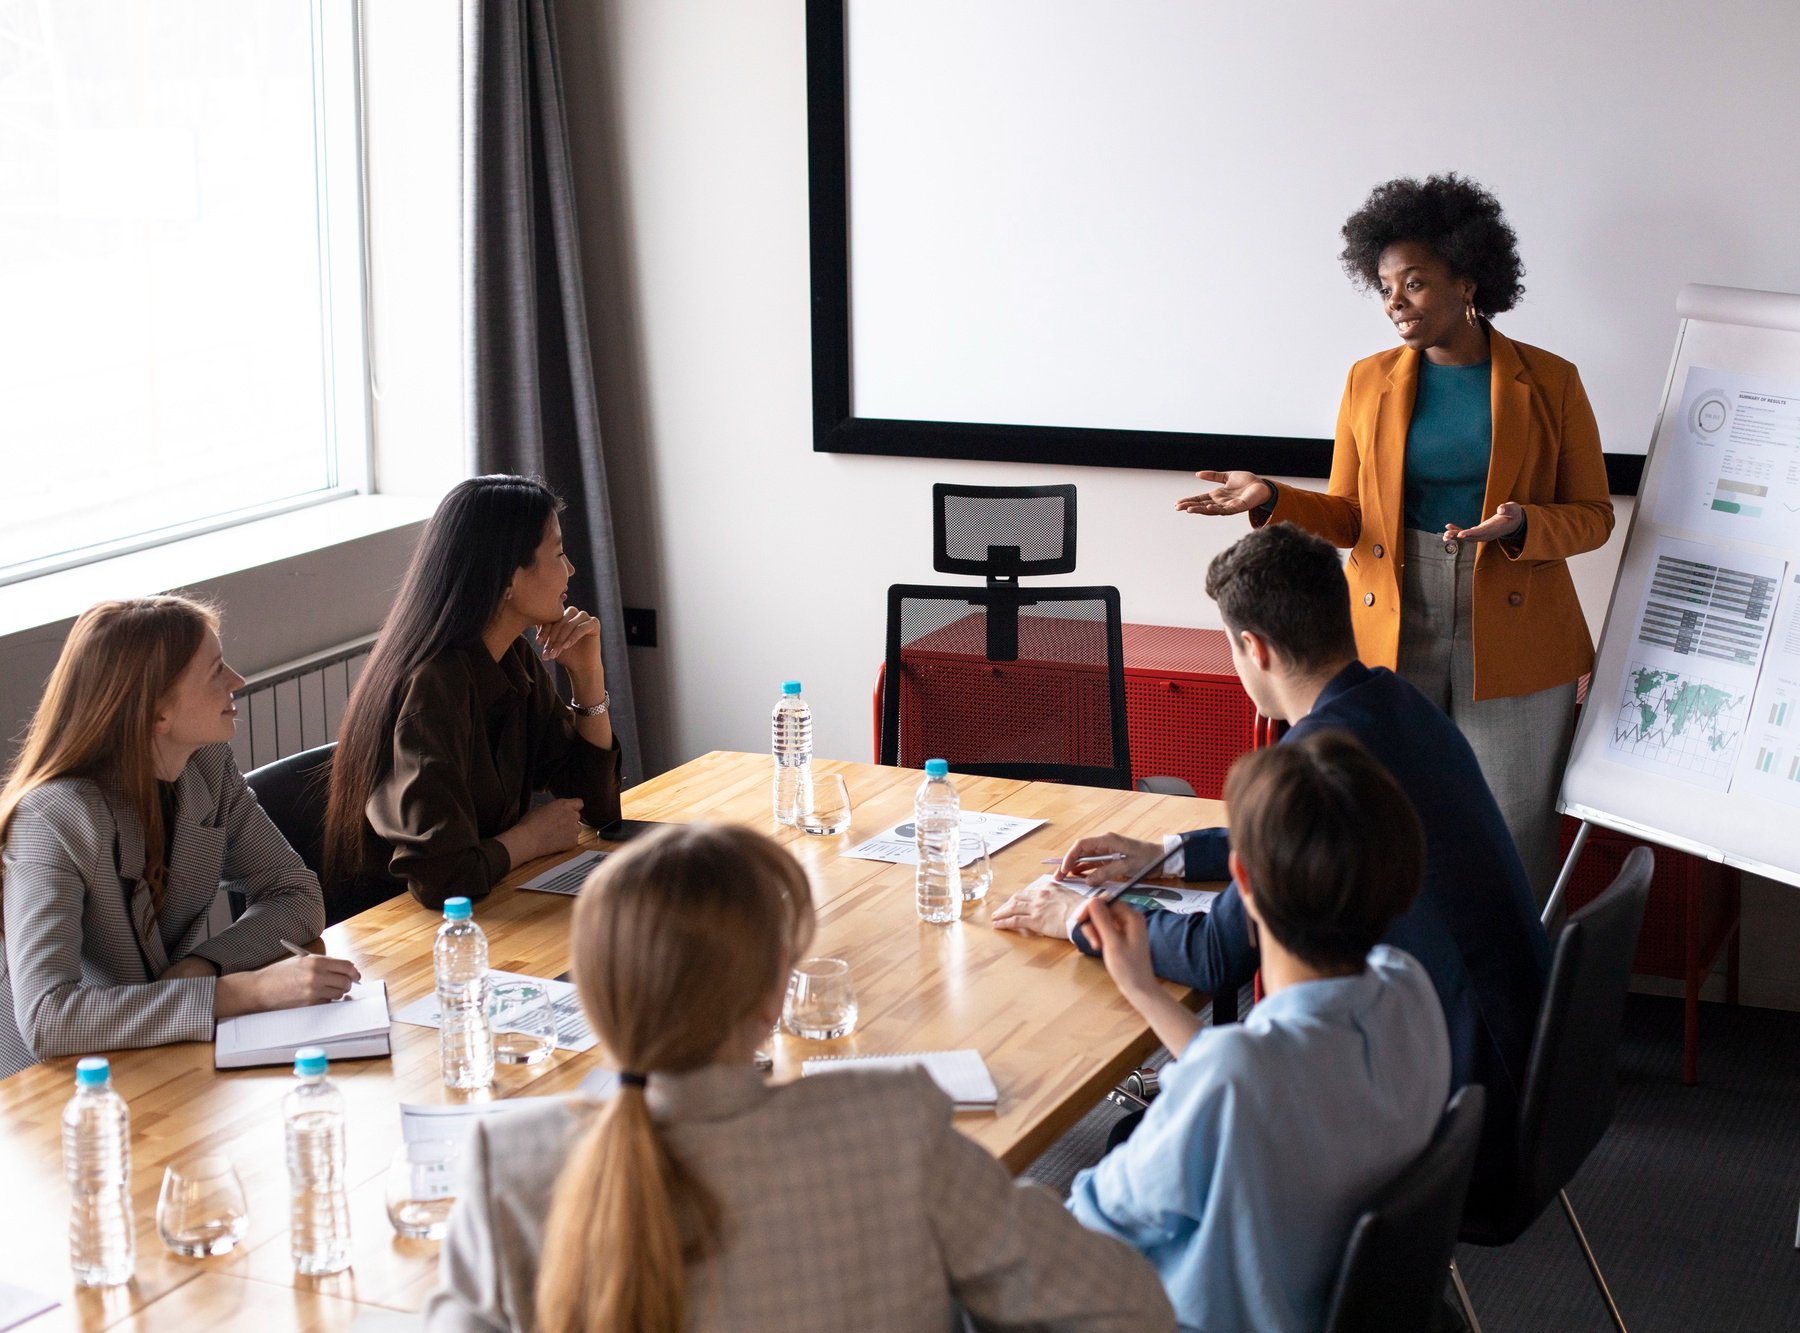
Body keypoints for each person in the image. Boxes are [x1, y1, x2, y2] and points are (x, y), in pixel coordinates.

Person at [424, 822, 1174, 1333]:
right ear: (773, 993)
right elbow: (1124, 1307)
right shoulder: (889, 1125)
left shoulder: (508, 1164)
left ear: (592, 994)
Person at [995, 522, 1548, 1213]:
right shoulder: (1396, 705)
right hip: (1512, 1075)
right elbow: (1308, 827)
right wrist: (1166, 852)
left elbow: (1213, 953)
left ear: (1253, 648)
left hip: (1459, 1124)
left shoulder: (1319, 751)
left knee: (1143, 1136)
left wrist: (1077, 918)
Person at [1174, 172, 1613, 890]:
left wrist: (1522, 524)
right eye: (1384, 286)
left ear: (1468, 280)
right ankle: (1400, 988)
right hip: (1392, 622)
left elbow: (1595, 515)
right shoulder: (1366, 381)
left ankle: (1515, 995)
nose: (1395, 303)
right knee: (1385, 822)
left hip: (1516, 628)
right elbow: (1351, 518)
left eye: (1414, 282)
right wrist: (1272, 496)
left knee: (1511, 831)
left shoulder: (1552, 381)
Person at [1066, 731, 1450, 1333]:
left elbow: (1087, 1222)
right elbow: (1255, 1076)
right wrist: (1141, 989)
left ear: (1241, 880)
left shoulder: (1238, 1080)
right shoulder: (1409, 992)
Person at [0, 597, 357, 1078]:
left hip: (157, 1053)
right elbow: (48, 1019)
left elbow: (295, 893)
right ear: (156, 715)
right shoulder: (52, 818)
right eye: (215, 672)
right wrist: (245, 992)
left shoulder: (205, 766)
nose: (237, 680)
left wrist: (204, 966)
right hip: (50, 1085)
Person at [323, 476, 622, 913]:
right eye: (557, 553)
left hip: (484, 907)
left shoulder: (512, 656)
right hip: (402, 935)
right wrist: (527, 841)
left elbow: (598, 807)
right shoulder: (433, 686)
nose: (570, 569)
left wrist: (588, 676)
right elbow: (439, 879)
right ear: (507, 577)